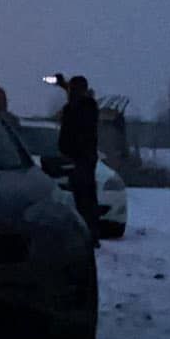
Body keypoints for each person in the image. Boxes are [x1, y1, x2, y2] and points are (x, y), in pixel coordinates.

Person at [54, 73, 102, 245]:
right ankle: (90, 233)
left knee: (82, 198)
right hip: (85, 158)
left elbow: (70, 134)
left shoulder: (78, 108)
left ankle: (86, 234)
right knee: (87, 197)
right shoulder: (89, 106)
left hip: (79, 158)